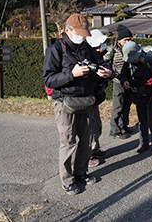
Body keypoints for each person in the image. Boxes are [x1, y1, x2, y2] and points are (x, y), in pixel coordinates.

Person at [43, 14, 113, 195]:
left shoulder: (86, 48)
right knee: (68, 142)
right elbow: (49, 80)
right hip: (66, 103)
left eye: (84, 33)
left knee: (86, 141)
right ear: (67, 31)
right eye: (79, 33)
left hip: (87, 101)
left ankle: (81, 173)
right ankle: (67, 180)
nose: (82, 37)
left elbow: (101, 63)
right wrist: (71, 74)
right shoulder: (55, 50)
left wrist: (108, 72)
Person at [119, 41, 152, 156]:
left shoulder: (150, 60)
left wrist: (151, 81)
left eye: (133, 59)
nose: (131, 61)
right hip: (137, 94)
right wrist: (124, 81)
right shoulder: (128, 63)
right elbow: (123, 74)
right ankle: (143, 143)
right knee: (142, 121)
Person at [85, 29, 111, 167]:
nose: (102, 47)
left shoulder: (97, 55)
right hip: (86, 98)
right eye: (100, 44)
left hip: (94, 97)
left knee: (96, 125)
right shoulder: (86, 56)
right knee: (88, 127)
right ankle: (86, 156)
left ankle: (95, 150)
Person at [103, 25, 134, 139]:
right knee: (118, 106)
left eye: (130, 39)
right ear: (119, 40)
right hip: (118, 81)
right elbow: (104, 62)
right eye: (125, 39)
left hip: (130, 81)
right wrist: (111, 74)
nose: (128, 41)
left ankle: (124, 125)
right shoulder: (112, 49)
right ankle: (115, 131)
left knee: (127, 105)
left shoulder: (132, 47)